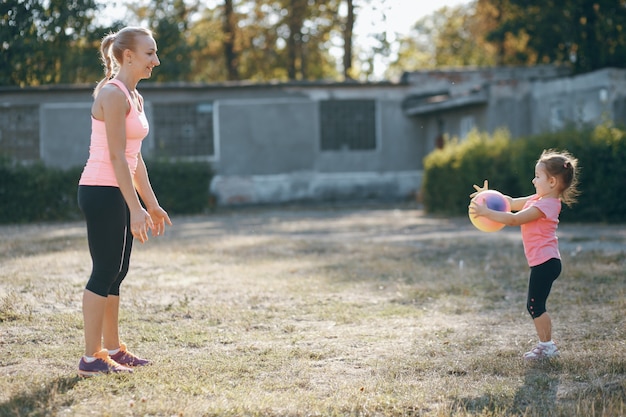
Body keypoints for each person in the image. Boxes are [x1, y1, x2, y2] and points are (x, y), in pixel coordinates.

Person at [77, 26, 172, 377]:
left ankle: (113, 349)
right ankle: (90, 357)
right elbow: (116, 158)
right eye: (150, 53)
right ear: (127, 55)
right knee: (103, 271)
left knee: (117, 273)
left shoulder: (135, 97)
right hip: (102, 190)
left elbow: (135, 160)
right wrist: (135, 209)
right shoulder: (114, 94)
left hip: (118, 189)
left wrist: (152, 203)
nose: (156, 61)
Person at [468, 149, 579, 360]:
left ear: (553, 182)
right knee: (534, 305)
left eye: (538, 176)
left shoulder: (547, 204)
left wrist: (487, 213)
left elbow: (514, 219)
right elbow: (510, 203)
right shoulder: (539, 197)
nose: (533, 180)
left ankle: (547, 346)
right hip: (544, 261)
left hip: (546, 262)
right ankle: (546, 345)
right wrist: (488, 198)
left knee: (535, 305)